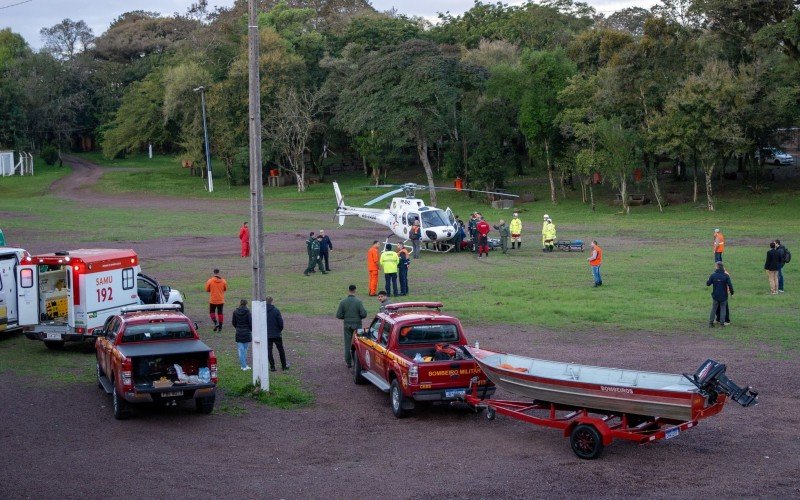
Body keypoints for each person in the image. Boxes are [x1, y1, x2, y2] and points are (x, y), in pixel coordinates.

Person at [335, 285, 367, 368]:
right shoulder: (358, 302)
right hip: (357, 325)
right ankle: (358, 361)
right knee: (358, 343)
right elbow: (363, 314)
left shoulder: (343, 302)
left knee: (347, 344)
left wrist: (345, 317)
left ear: (348, 290)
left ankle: (348, 362)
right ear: (355, 290)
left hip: (347, 324)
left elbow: (338, 315)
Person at [706, 262, 733, 327]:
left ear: (717, 267)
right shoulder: (726, 275)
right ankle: (722, 324)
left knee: (714, 308)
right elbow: (730, 285)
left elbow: (708, 284)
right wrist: (732, 293)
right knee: (723, 309)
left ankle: (711, 323)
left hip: (715, 295)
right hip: (724, 295)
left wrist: (708, 280)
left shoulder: (713, 275)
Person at [266, 296, 288, 372]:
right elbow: (280, 323)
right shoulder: (276, 310)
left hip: (267, 334)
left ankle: (272, 367)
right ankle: (284, 366)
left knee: (269, 350)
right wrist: (279, 330)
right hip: (276, 334)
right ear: (272, 301)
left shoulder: (262, 311)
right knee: (281, 350)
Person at [231, 299, 252, 371]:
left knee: (240, 350)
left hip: (239, 332)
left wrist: (237, 328)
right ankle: (244, 365)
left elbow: (233, 322)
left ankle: (243, 366)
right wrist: (250, 330)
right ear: (246, 304)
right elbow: (250, 322)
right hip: (247, 332)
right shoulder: (248, 312)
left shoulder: (235, 312)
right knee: (245, 350)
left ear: (240, 303)